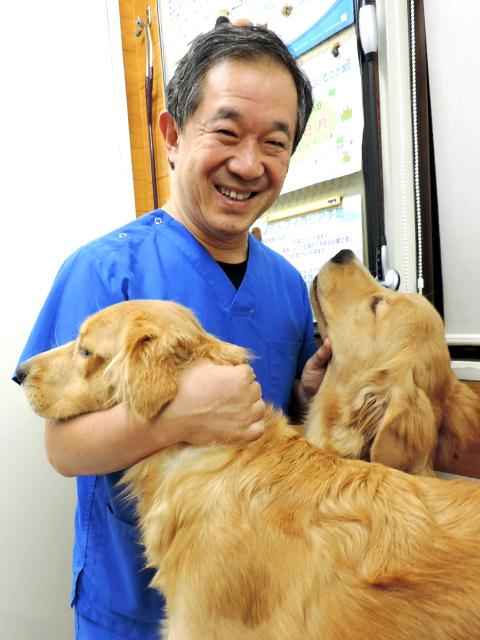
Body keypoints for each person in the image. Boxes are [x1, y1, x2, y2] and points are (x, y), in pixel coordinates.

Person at [15, 22, 331, 639]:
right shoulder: (107, 270)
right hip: (134, 605)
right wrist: (180, 417)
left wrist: (307, 397)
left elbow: (268, 425)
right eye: (226, 130)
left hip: (261, 604)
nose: (248, 163)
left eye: (275, 142)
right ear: (172, 134)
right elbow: (64, 449)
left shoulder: (288, 285)